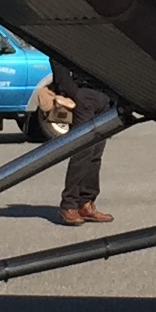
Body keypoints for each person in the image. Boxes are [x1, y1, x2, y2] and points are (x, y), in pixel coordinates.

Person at [51, 57, 114, 225]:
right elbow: (56, 57)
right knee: (82, 152)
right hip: (83, 95)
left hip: (105, 96)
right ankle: (69, 204)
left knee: (96, 154)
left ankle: (86, 203)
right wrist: (73, 92)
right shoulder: (72, 32)